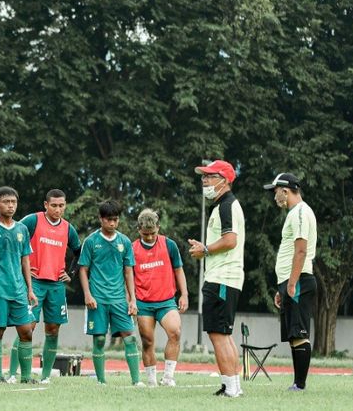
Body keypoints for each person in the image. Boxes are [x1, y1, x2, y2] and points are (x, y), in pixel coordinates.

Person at [8, 189, 81, 383]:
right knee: (27, 327)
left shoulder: (68, 228)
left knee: (53, 329)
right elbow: (12, 236)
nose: (58, 209)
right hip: (34, 284)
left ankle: (46, 376)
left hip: (56, 286)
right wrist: (20, 268)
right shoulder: (33, 221)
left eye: (61, 205)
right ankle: (13, 374)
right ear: (46, 205)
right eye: (54, 205)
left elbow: (79, 252)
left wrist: (71, 273)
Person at [188, 160, 244, 397]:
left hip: (222, 278)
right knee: (224, 334)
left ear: (225, 180)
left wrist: (206, 250)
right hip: (224, 278)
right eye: (204, 176)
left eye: (210, 176)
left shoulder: (226, 205)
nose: (204, 180)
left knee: (218, 334)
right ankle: (232, 385)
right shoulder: (223, 205)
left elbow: (230, 240)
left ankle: (231, 388)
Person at [0, 186, 37, 384]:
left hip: (19, 291)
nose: (11, 206)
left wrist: (30, 289)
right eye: (6, 202)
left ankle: (26, 377)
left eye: (14, 202)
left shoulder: (22, 229)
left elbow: (25, 260)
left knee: (26, 332)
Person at [79, 200, 142, 386]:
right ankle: (101, 381)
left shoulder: (124, 242)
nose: (113, 223)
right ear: (101, 219)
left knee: (130, 338)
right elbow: (83, 269)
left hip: (119, 300)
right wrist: (87, 295)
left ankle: (136, 381)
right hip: (97, 299)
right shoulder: (91, 241)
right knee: (99, 339)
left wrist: (132, 299)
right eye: (109, 220)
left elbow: (129, 271)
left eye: (116, 220)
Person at [264, 173, 317, 392]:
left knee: (300, 332)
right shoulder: (294, 213)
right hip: (291, 282)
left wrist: (292, 283)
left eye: (275, 191)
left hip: (299, 281)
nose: (274, 196)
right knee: (294, 335)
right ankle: (296, 383)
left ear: (285, 191)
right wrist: (283, 287)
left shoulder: (301, 213)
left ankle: (300, 385)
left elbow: (301, 250)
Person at [132, 209, 188, 387]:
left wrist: (184, 294)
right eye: (145, 234)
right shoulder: (132, 248)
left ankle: (168, 377)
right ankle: (151, 380)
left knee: (175, 332)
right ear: (139, 230)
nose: (149, 237)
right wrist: (130, 300)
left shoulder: (169, 244)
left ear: (158, 227)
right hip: (143, 302)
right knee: (147, 340)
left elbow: (179, 270)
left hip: (166, 301)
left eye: (153, 233)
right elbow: (127, 276)